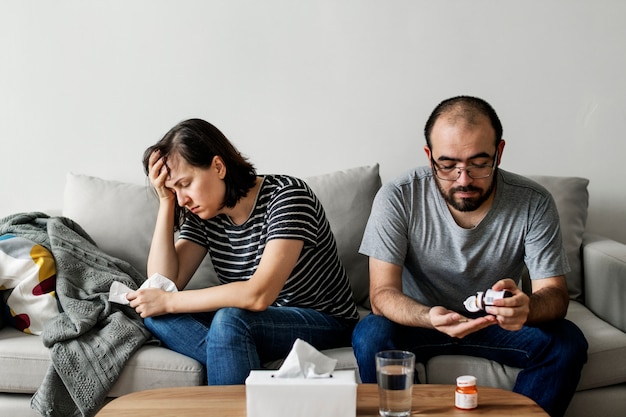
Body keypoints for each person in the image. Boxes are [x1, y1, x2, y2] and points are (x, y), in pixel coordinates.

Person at [351, 96, 588, 417]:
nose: (463, 180)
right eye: (447, 165)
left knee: (567, 342)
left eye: (478, 163)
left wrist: (525, 308)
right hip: (421, 321)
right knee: (370, 334)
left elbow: (556, 295)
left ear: (499, 153)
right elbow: (381, 296)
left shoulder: (533, 202)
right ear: (429, 156)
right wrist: (428, 316)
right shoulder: (398, 197)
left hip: (495, 323)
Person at [127, 118, 359, 385]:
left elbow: (258, 295)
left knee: (229, 319)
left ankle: (233, 351)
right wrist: (166, 201)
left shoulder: (287, 196)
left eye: (185, 184)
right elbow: (163, 284)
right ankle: (234, 352)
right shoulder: (204, 214)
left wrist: (168, 301)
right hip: (256, 322)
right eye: (173, 189)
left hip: (323, 320)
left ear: (218, 166)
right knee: (155, 314)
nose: (183, 199)